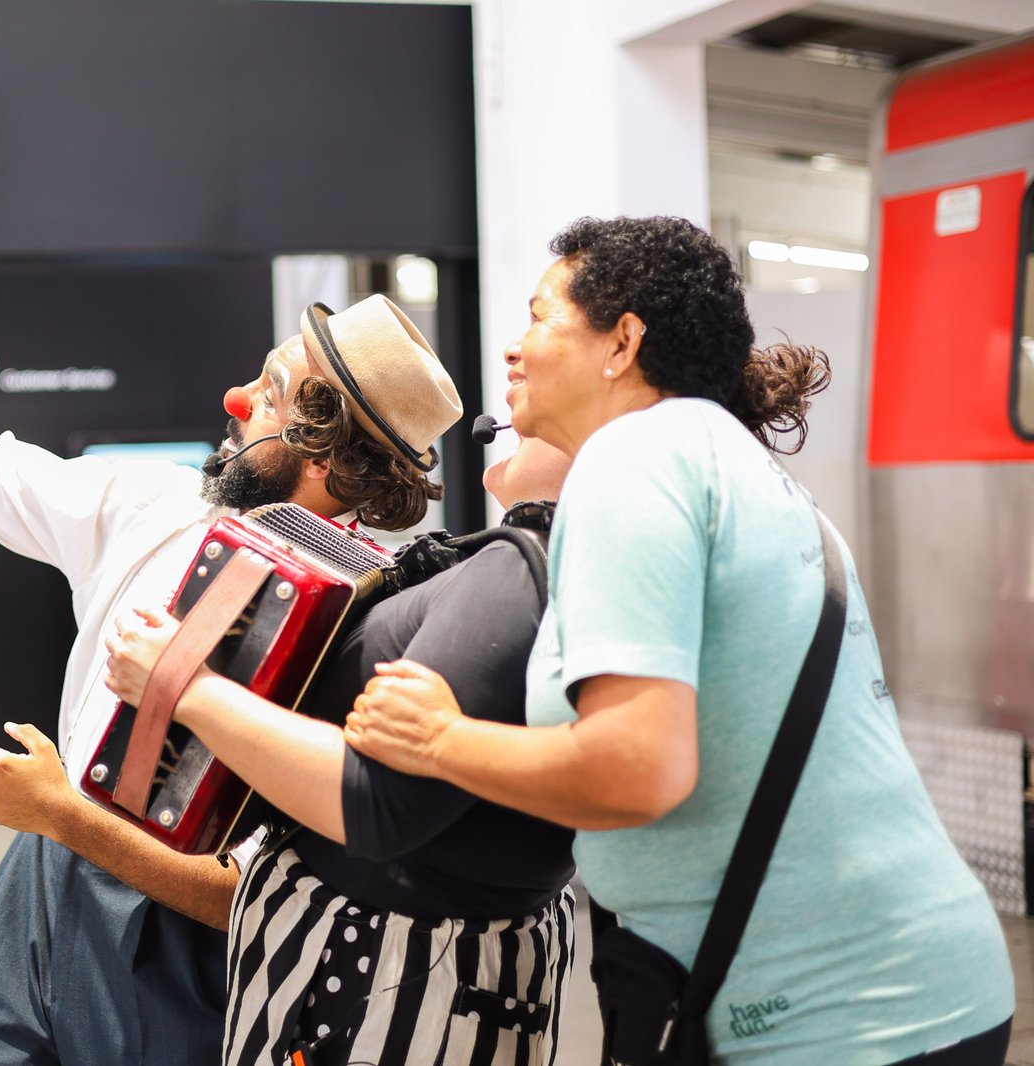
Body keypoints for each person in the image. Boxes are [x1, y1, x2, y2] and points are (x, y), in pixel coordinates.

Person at [0, 223, 463, 1066]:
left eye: (270, 390)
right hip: (41, 879)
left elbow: (244, 898)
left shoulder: (380, 629)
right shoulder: (153, 504)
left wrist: (66, 815)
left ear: (322, 447)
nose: (234, 397)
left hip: (184, 948)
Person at [343, 215, 1015, 1064]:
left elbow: (637, 769)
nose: (513, 349)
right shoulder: (723, 461)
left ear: (622, 342)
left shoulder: (637, 463)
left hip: (840, 1020)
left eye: (541, 317)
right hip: (911, 988)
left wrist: (442, 741)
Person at [104, 434, 577, 1066]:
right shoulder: (527, 567)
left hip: (385, 983)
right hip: (390, 971)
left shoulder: (519, 573)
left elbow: (376, 804)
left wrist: (185, 686)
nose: (515, 370)